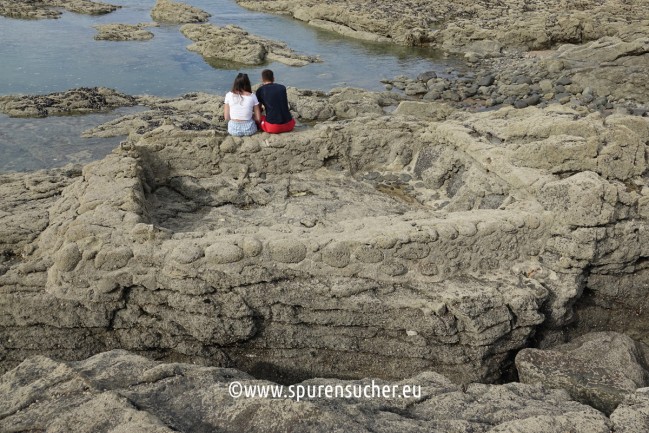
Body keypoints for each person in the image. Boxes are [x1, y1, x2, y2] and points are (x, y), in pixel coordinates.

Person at [255, 69, 295, 134]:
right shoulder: (282, 88)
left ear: (262, 80)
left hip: (273, 127)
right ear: (273, 78)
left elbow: (258, 110)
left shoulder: (260, 90)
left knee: (256, 117)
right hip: (290, 124)